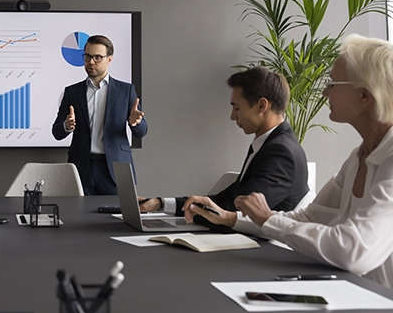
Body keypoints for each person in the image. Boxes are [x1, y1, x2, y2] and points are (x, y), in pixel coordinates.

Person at [185, 35, 393, 294]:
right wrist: (232, 219)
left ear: (365, 95)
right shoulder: (359, 157)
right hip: (359, 297)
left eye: (332, 83)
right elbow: (308, 217)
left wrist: (267, 218)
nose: (324, 91)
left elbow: (353, 252)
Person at [139, 66, 308, 219]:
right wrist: (159, 203)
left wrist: (188, 214)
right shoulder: (270, 145)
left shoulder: (280, 152)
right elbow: (222, 200)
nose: (232, 116)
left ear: (262, 105)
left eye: (237, 108)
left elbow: (232, 214)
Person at [52, 34, 147, 195]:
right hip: (82, 168)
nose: (91, 62)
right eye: (87, 57)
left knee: (116, 218)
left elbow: (143, 131)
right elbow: (56, 132)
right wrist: (66, 126)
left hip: (115, 169)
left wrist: (135, 123)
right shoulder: (72, 92)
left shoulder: (125, 90)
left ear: (109, 59)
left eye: (97, 57)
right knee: (78, 218)